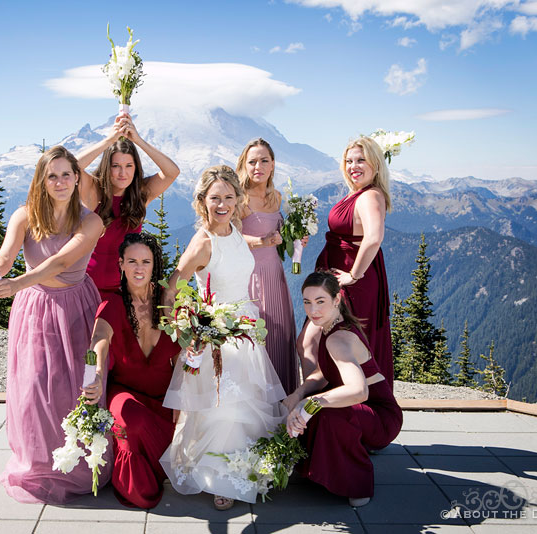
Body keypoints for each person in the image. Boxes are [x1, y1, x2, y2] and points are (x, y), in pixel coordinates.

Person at [0, 145, 110, 504]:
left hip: (76, 308)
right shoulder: (24, 216)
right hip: (35, 310)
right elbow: (6, 256)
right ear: (42, 179)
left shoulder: (91, 221)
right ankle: (37, 463)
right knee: (35, 386)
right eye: (52, 175)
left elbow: (61, 262)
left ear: (77, 177)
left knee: (75, 385)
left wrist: (17, 282)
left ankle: (80, 464)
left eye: (67, 174)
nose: (61, 181)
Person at [159, 165, 286, 511]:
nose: (223, 204)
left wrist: (265, 241)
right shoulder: (203, 241)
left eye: (229, 197)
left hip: (247, 327)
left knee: (249, 403)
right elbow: (173, 288)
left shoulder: (235, 228)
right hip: (219, 334)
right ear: (202, 200)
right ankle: (219, 476)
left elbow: (238, 249)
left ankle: (245, 465)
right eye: (215, 198)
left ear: (238, 199)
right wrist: (184, 332)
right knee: (225, 408)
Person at [285, 271, 402, 507]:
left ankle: (357, 485)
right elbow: (323, 373)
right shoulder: (332, 326)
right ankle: (319, 467)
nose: (312, 310)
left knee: (327, 412)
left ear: (337, 300)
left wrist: (310, 402)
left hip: (380, 417)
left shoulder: (337, 339)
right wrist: (298, 394)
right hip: (364, 410)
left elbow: (360, 391)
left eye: (320, 302)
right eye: (307, 302)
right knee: (313, 405)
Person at [82, 232, 182, 509]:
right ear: (121, 264)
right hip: (126, 394)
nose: (139, 268)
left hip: (167, 399)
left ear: (154, 266)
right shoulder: (112, 304)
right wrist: (97, 375)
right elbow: (98, 340)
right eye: (132, 261)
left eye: (146, 262)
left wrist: (182, 395)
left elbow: (187, 355)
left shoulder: (170, 304)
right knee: (132, 420)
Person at [315, 136, 394, 387]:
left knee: (344, 344)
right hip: (337, 281)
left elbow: (373, 237)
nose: (353, 166)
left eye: (361, 160)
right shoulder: (357, 193)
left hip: (353, 283)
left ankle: (350, 408)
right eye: (349, 161)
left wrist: (353, 276)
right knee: (327, 342)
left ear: (376, 164)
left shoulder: (370, 196)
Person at [77, 112, 180, 294]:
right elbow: (70, 168)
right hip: (88, 289)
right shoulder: (93, 191)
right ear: (107, 167)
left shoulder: (140, 193)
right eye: (116, 166)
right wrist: (109, 141)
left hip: (125, 291)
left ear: (136, 167)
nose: (122, 173)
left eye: (128, 166)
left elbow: (172, 172)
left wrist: (138, 140)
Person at [237, 138, 301, 394]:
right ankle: (258, 407)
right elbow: (228, 236)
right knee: (257, 338)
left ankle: (283, 408)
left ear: (273, 164)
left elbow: (279, 235)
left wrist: (295, 236)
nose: (258, 166)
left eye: (264, 160)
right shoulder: (239, 197)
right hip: (250, 276)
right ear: (244, 164)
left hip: (275, 275)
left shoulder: (277, 197)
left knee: (279, 334)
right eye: (252, 161)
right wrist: (259, 241)